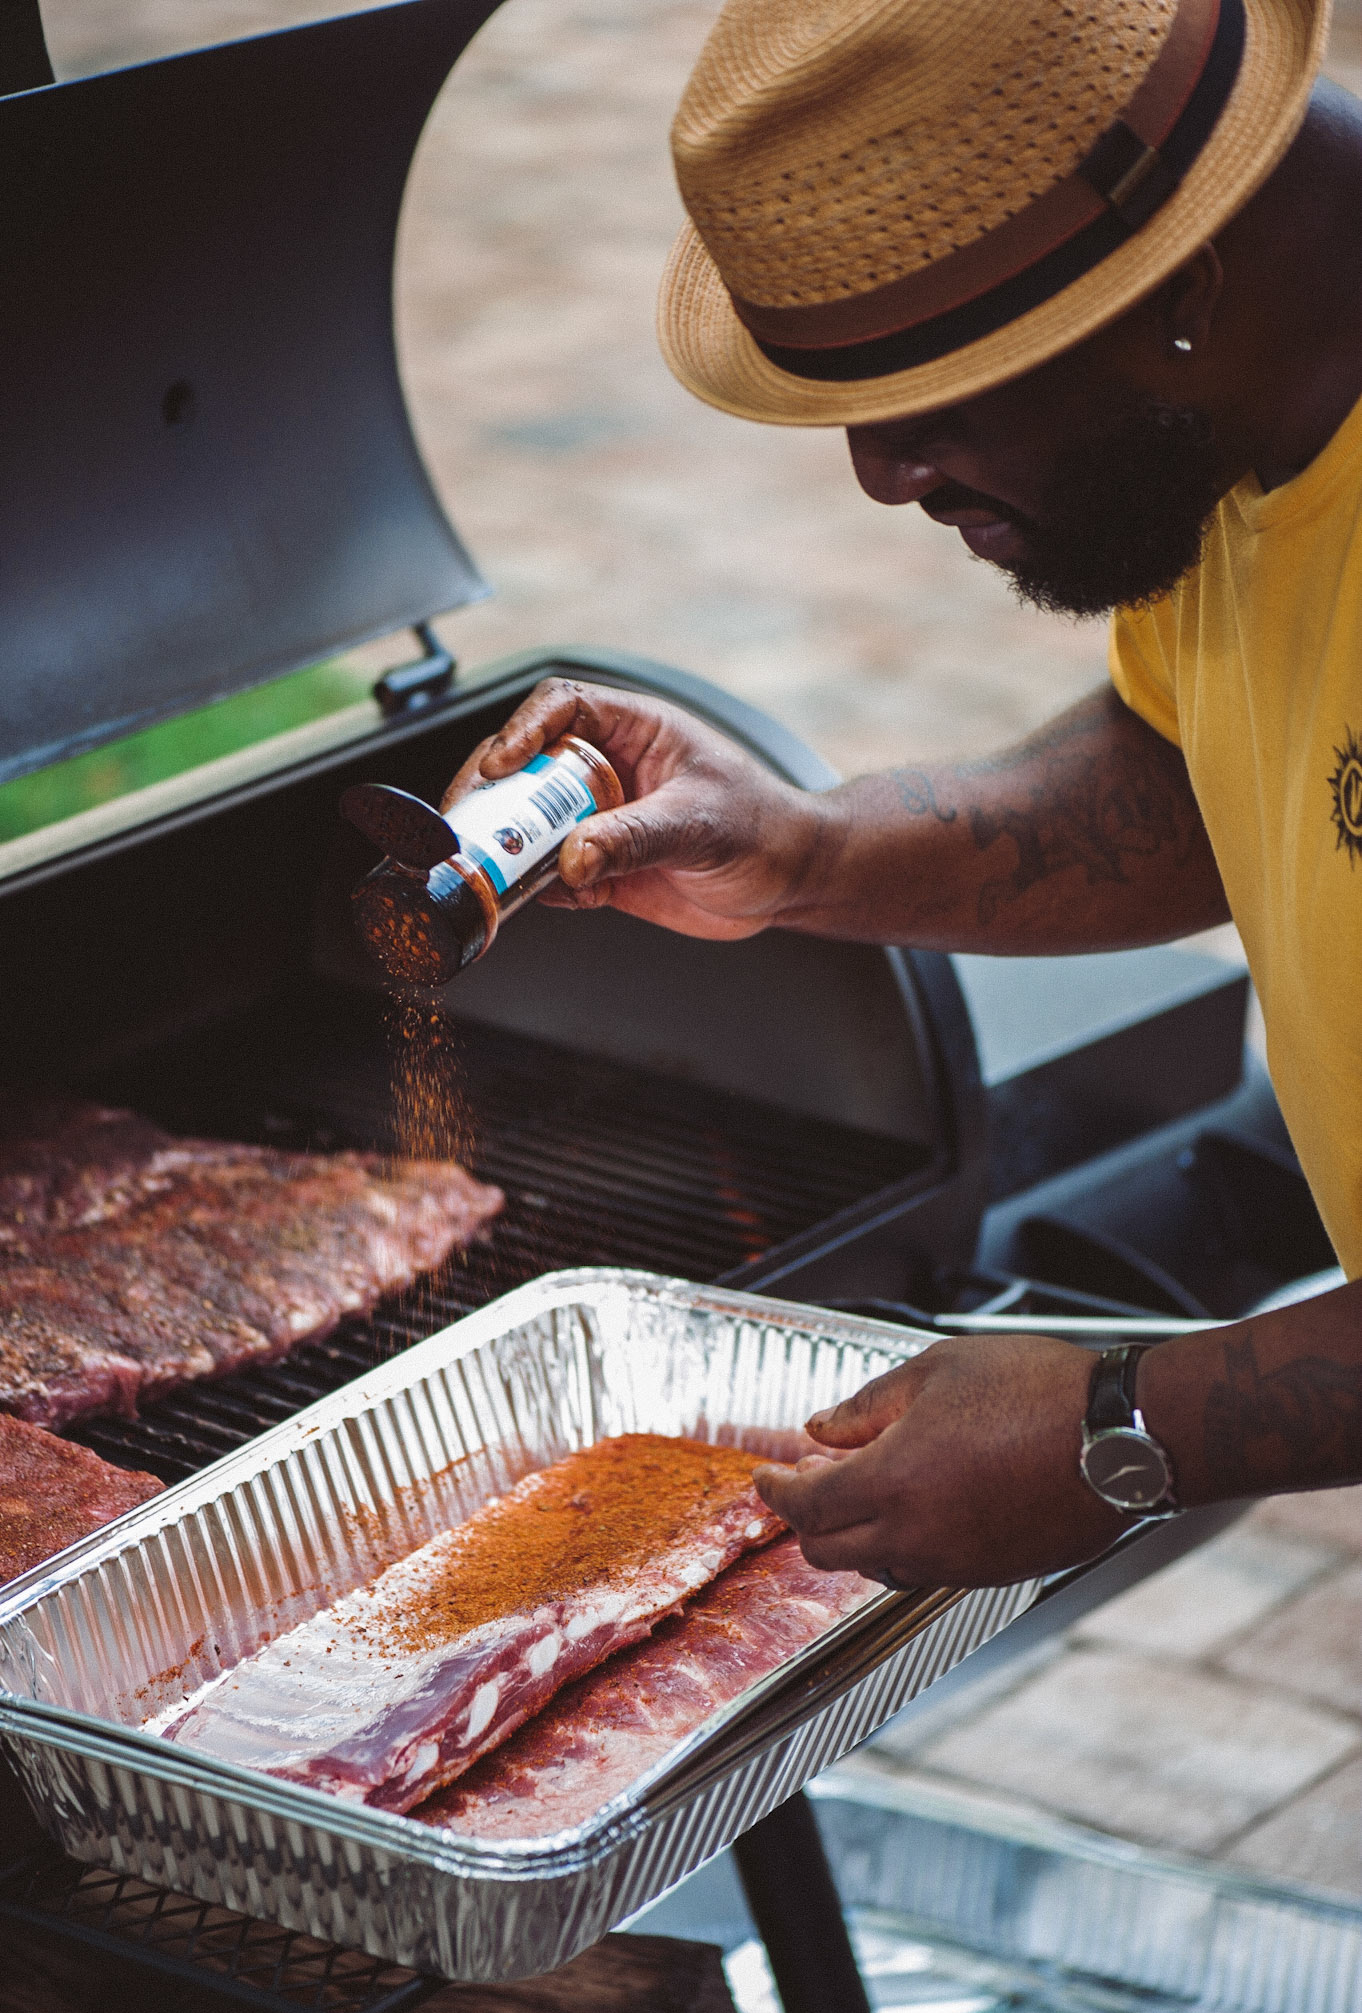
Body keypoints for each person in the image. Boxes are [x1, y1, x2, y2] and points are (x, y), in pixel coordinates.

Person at [445, 0, 1361, 1589]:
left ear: (1180, 285)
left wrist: (1120, 1426)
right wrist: (800, 849)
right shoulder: (1239, 403)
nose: (881, 472)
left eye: (941, 391)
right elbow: (1204, 778)